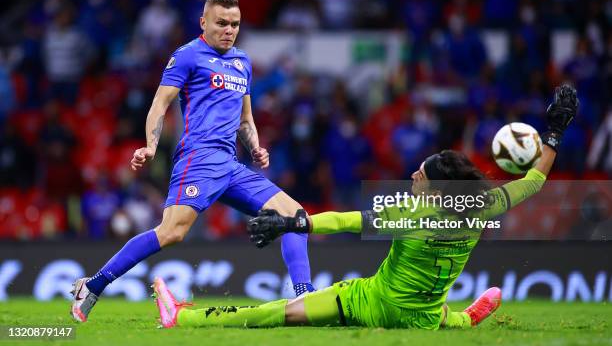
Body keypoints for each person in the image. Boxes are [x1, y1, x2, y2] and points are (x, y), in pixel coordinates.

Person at [152, 85, 579, 330]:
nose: (412, 177)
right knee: (435, 314)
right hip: (420, 318)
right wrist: (555, 133)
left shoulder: (411, 214)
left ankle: (183, 319)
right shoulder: (482, 205)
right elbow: (535, 180)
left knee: (278, 314)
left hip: (370, 302)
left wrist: (291, 221)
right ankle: (467, 319)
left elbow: (345, 221)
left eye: (420, 175)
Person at [70, 0, 314, 322]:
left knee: (295, 218)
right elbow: (160, 103)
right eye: (222, 23)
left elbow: (244, 118)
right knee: (172, 232)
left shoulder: (243, 62)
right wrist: (151, 146)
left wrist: (255, 146)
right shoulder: (187, 56)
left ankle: (305, 299)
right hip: (198, 160)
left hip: (230, 164)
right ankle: (94, 285)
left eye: (235, 24)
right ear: (204, 22)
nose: (229, 30)